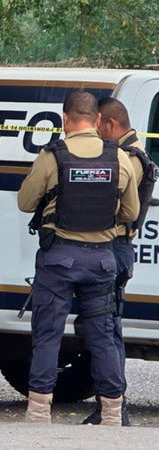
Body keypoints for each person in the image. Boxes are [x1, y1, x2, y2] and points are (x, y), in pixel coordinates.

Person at [17, 90, 139, 426]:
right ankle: (112, 413)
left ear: (64, 119)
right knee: (103, 336)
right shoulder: (120, 157)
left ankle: (39, 412)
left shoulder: (52, 155)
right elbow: (131, 212)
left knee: (48, 334)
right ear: (97, 119)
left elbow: (25, 203)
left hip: (59, 259)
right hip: (101, 260)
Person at [82, 97, 154, 426]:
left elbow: (114, 205)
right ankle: (110, 403)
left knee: (106, 330)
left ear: (109, 124)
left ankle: (112, 405)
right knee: (108, 327)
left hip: (114, 246)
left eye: (97, 128)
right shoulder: (133, 153)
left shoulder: (127, 158)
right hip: (118, 248)